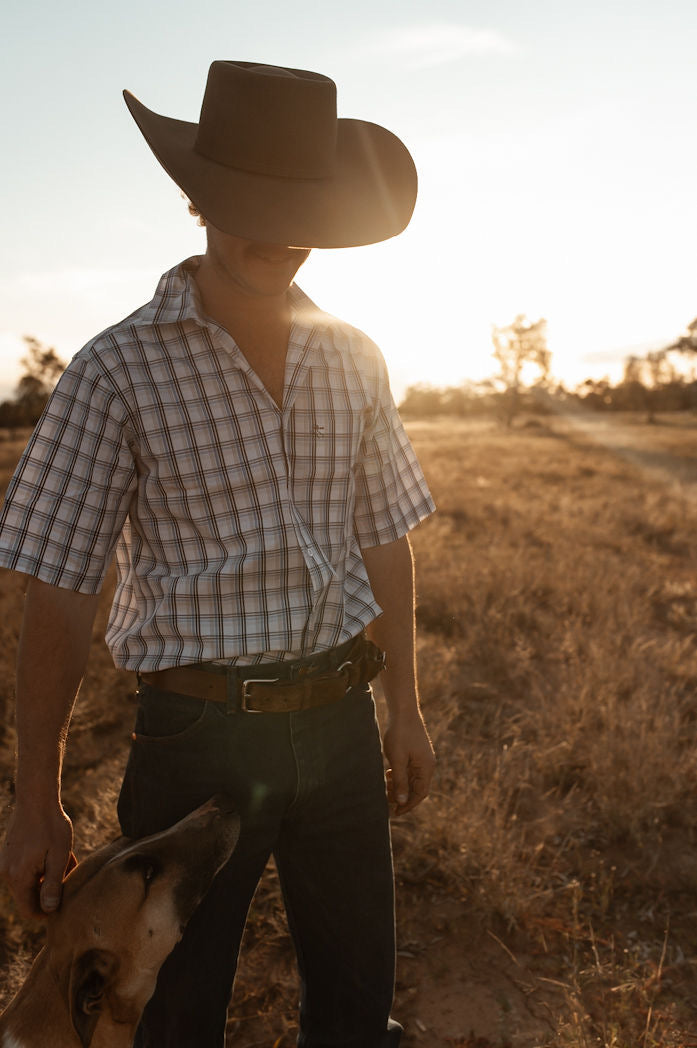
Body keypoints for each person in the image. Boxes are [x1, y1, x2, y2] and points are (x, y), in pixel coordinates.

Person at [0, 61, 436, 1047]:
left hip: (338, 730)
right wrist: (37, 804)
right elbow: (61, 595)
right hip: (196, 738)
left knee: (357, 996)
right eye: (251, 208)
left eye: (300, 213)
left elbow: (384, 535)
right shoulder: (117, 369)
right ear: (195, 199)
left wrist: (403, 703)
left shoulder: (354, 355)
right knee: (174, 1014)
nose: (280, 239)